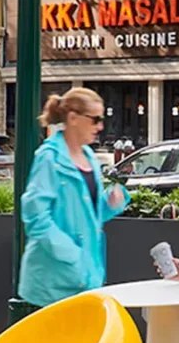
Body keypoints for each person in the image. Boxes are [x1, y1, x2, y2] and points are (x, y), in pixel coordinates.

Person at [17, 87, 127, 307]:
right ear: (73, 118)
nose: (100, 127)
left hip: (85, 279)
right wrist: (72, 254)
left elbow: (87, 215)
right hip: (52, 285)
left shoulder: (89, 156)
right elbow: (35, 217)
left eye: (102, 120)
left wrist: (110, 203)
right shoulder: (49, 157)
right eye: (95, 120)